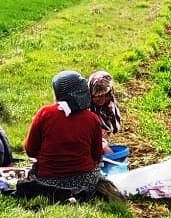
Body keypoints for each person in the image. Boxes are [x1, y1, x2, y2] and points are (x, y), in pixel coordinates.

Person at [21, 70, 111, 202]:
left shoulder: (45, 113)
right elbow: (97, 156)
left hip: (48, 182)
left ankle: (61, 196)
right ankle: (76, 196)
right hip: (85, 181)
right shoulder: (92, 119)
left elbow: (30, 150)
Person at [87, 70, 121, 138]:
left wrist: (106, 130)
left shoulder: (110, 103)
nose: (102, 100)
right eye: (98, 96)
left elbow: (113, 122)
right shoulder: (86, 107)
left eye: (105, 95)